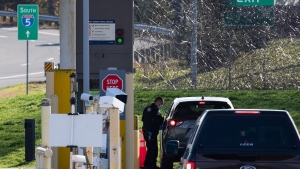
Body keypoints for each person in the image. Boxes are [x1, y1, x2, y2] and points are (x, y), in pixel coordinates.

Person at [142, 96, 164, 169]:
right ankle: (148, 165)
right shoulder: (149, 110)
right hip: (149, 133)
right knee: (151, 149)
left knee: (154, 149)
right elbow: (147, 121)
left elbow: (158, 120)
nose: (161, 105)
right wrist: (148, 131)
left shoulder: (156, 110)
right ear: (157, 102)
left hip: (154, 133)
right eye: (161, 103)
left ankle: (152, 165)